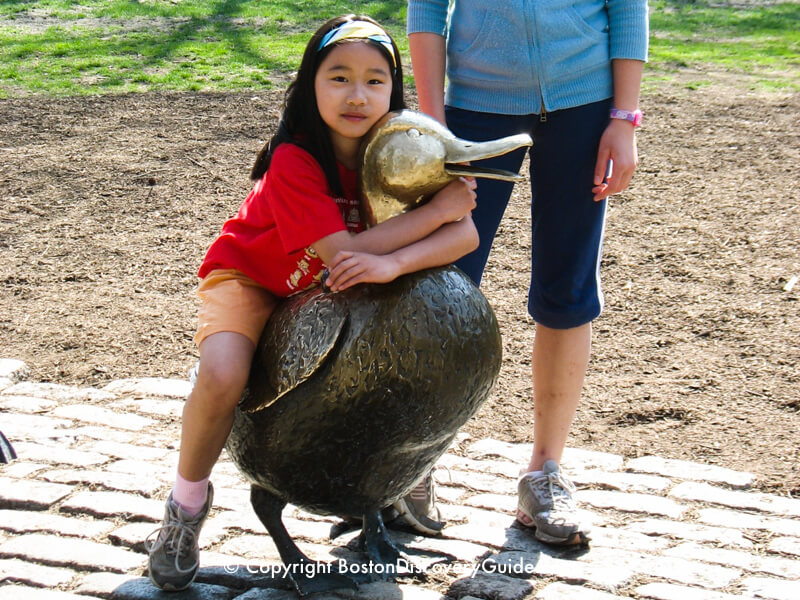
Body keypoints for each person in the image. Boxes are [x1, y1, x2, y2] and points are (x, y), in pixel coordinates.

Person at [145, 14, 479, 591]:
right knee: (223, 375)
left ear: (393, 91)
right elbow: (341, 254)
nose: (357, 95)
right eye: (339, 77)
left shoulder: (400, 150)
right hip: (254, 278)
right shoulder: (295, 159)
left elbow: (465, 236)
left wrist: (395, 262)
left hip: (331, 285)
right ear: (310, 85)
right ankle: (185, 506)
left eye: (375, 81)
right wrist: (433, 213)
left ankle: (390, 490)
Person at [407, 0, 649, 546]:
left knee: (568, 291)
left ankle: (544, 474)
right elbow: (425, 9)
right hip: (473, 109)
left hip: (586, 108)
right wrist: (433, 123)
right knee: (441, 287)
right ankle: (410, 463)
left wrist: (624, 118)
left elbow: (628, 8)